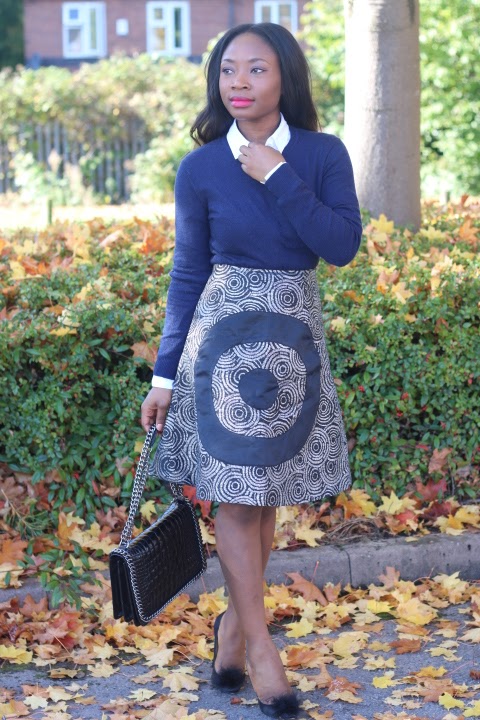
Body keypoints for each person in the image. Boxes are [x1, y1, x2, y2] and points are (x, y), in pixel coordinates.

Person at [141, 22, 362, 720]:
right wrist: (164, 376)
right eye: (227, 69)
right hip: (222, 343)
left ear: (285, 77)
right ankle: (262, 652)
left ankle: (233, 631)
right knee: (237, 499)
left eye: (256, 69)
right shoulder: (200, 167)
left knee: (264, 498)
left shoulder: (322, 154)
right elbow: (187, 272)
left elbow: (340, 245)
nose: (238, 82)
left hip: (293, 339)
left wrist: (278, 175)